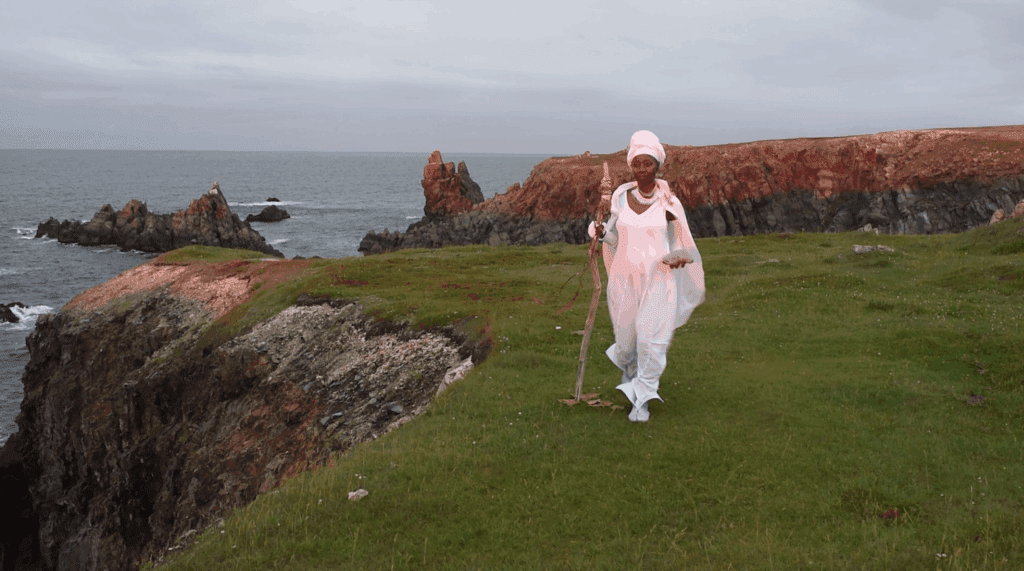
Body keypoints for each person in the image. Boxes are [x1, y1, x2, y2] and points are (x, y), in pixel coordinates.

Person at [589, 130, 706, 422]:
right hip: (623, 279)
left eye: (648, 163)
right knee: (627, 341)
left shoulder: (669, 204)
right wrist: (600, 233)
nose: (642, 169)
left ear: (657, 165)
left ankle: (642, 399)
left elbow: (682, 242)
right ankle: (631, 376)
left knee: (651, 341)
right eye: (637, 163)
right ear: (631, 165)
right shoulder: (619, 199)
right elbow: (614, 238)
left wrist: (679, 255)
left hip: (659, 280)